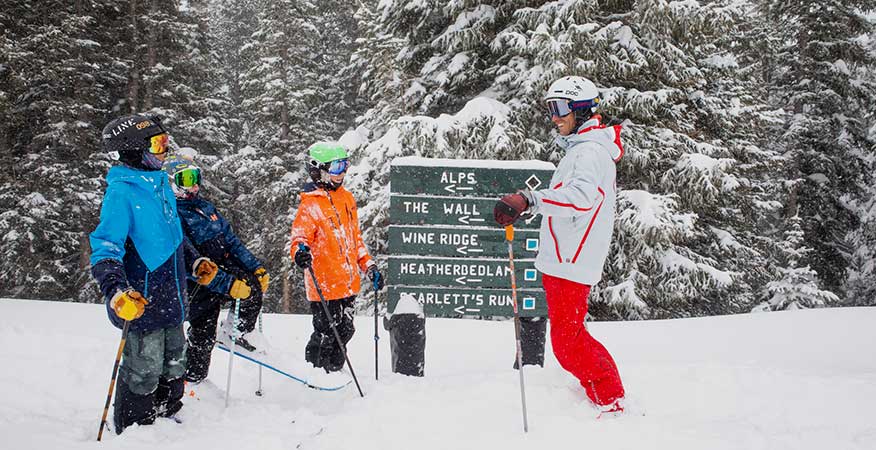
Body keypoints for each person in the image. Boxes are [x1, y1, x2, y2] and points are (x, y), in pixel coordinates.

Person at [493, 76, 626, 413]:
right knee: (572, 337)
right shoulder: (583, 149)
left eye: (561, 108)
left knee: (567, 344)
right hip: (564, 259)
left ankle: (610, 398)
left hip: (572, 260)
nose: (554, 116)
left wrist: (530, 199)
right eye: (550, 108)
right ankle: (609, 393)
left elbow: (580, 199)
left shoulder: (590, 153)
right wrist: (532, 204)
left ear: (581, 110)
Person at [90, 114, 215, 433]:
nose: (164, 150)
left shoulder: (159, 185)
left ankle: (168, 414)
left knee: (175, 362)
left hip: (172, 300)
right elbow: (106, 247)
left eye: (165, 142)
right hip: (143, 303)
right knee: (143, 369)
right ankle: (136, 428)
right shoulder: (122, 193)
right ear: (133, 151)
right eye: (158, 144)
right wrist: (116, 292)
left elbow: (174, 238)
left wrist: (194, 261)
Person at [162, 154, 270, 384]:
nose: (194, 185)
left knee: (251, 286)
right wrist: (227, 284)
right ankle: (181, 379)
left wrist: (255, 266)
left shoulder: (204, 208)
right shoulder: (172, 214)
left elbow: (231, 241)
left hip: (218, 272)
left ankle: (235, 333)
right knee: (195, 330)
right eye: (186, 179)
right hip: (194, 284)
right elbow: (187, 257)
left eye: (196, 177)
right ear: (171, 182)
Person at [290, 142, 384, 373]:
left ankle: (334, 369)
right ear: (318, 169)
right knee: (326, 332)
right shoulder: (310, 204)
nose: (342, 172)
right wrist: (300, 251)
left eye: (344, 166)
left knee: (345, 330)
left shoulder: (347, 199)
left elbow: (355, 241)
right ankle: (317, 371)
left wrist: (369, 266)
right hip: (324, 283)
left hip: (346, 282)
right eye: (336, 167)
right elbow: (299, 237)